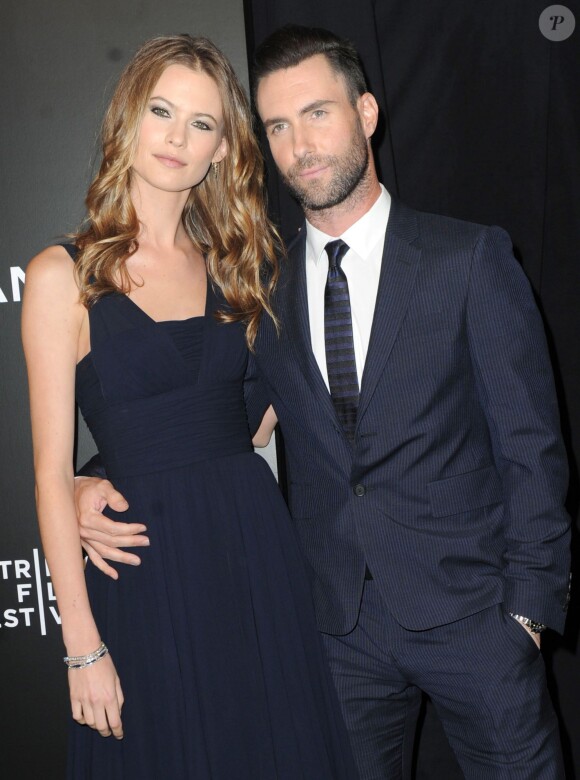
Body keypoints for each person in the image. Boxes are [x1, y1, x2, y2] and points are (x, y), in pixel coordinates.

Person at [73, 25, 571, 779]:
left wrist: (527, 615)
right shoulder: (257, 286)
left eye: (318, 114)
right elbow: (214, 416)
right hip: (333, 634)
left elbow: (531, 445)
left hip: (475, 621)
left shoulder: (466, 258)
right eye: (277, 125)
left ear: (366, 114)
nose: (300, 143)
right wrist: (93, 473)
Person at [21, 33, 359, 779]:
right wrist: (82, 648)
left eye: (202, 124)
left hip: (252, 554)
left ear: (221, 151)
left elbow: (263, 417)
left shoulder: (241, 270)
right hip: (141, 569)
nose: (177, 138)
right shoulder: (61, 276)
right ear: (128, 120)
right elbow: (48, 472)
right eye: (162, 111)